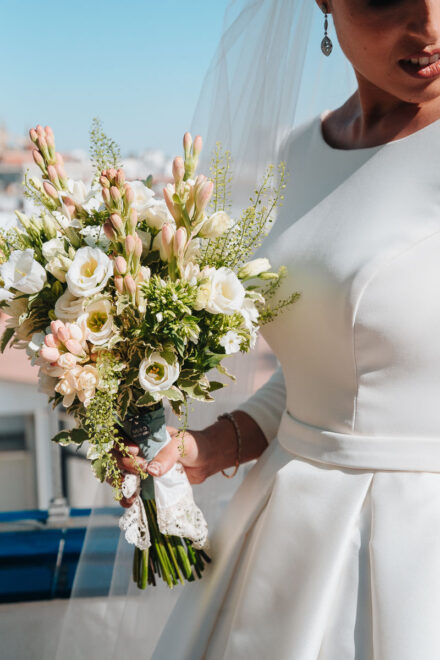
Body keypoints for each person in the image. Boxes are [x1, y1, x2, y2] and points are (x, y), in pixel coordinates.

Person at [109, 0, 440, 657]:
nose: (430, 25)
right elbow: (344, 362)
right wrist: (217, 445)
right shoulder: (296, 155)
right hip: (283, 536)